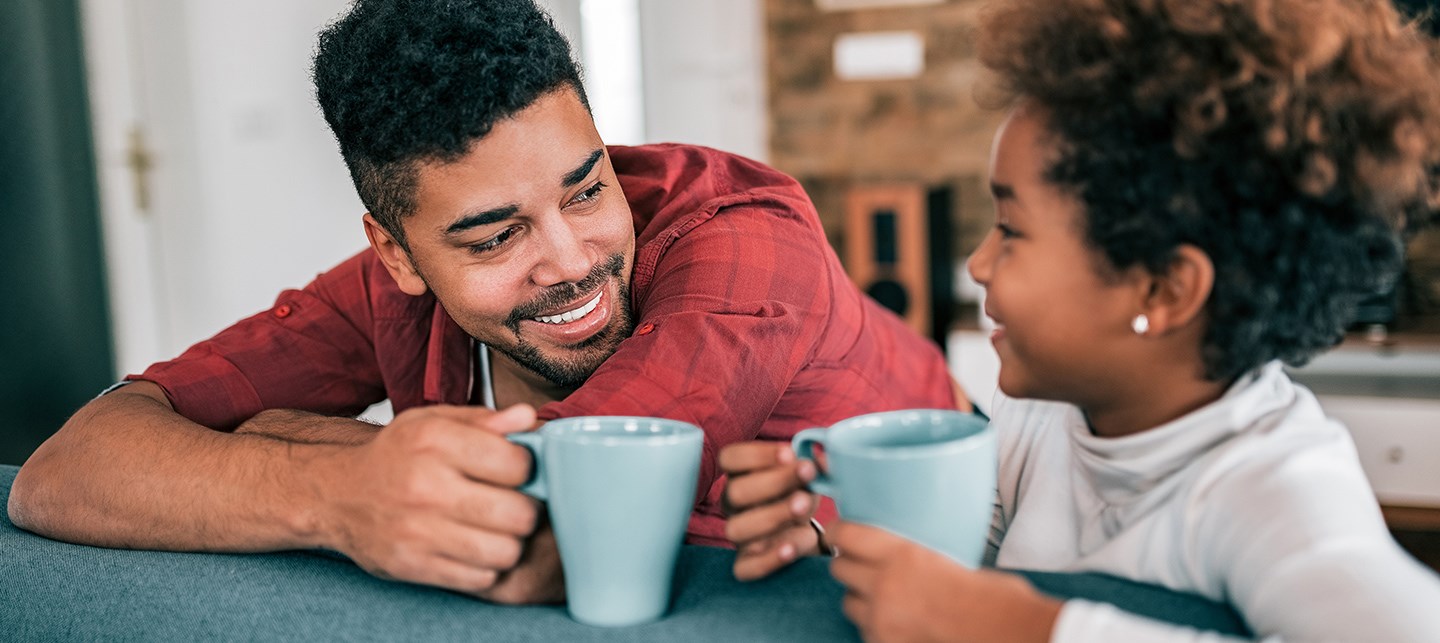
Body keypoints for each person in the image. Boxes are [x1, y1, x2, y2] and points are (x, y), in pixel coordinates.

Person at [7, 0, 960, 605]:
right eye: (495, 235)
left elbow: (560, 542)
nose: (572, 260)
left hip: (951, 551)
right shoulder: (384, 292)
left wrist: (277, 440)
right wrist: (337, 494)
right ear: (398, 252)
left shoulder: (747, 241)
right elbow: (61, 473)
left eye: (587, 189)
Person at [719, 0, 1440, 639]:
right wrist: (829, 540)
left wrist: (1022, 626)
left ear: (1161, 289)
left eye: (1011, 227)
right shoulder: (1043, 415)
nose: (976, 261)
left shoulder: (1276, 489)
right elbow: (963, 556)